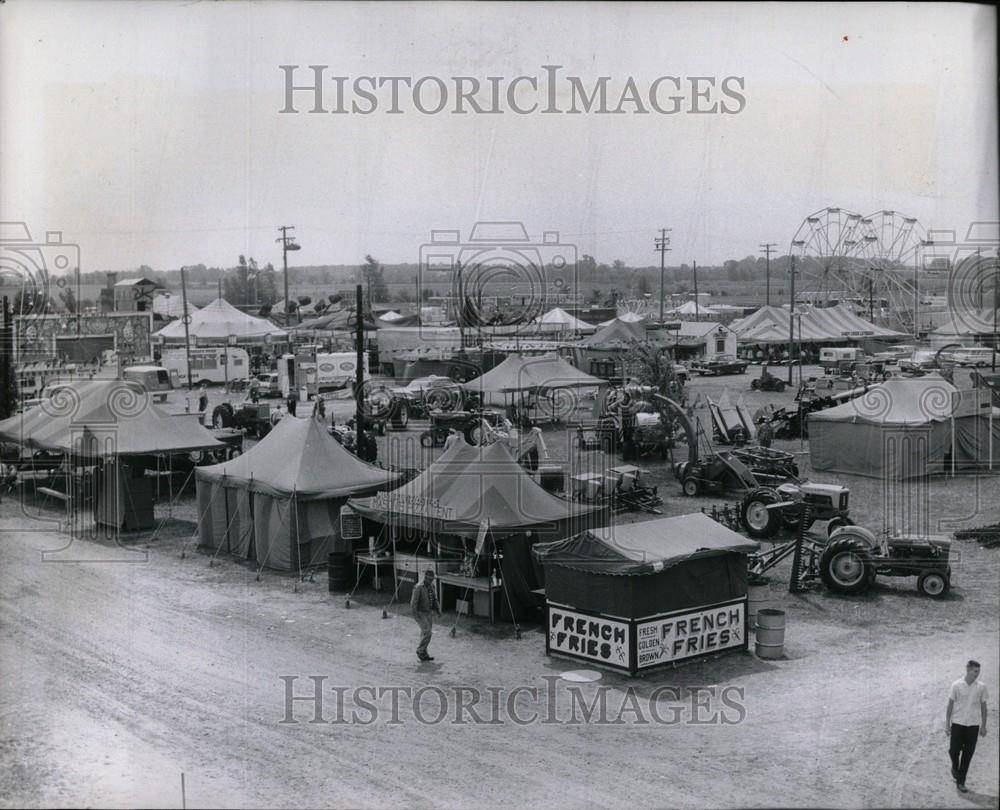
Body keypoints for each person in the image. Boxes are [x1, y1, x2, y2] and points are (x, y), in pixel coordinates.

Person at [946, 660, 989, 792]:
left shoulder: (981, 687)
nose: (977, 674)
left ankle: (961, 782)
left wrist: (983, 725)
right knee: (954, 750)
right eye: (975, 671)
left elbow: (984, 706)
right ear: (968, 670)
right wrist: (947, 724)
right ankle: (954, 766)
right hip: (958, 723)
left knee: (968, 754)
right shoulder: (956, 685)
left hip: (973, 725)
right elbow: (950, 705)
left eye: (979, 671)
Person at [410, 569, 440, 662]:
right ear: (425, 578)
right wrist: (416, 616)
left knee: (425, 633)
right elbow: (413, 603)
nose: (431, 581)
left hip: (428, 612)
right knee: (427, 632)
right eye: (429, 579)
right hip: (420, 612)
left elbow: (434, 599)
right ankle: (420, 650)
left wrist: (438, 610)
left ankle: (424, 653)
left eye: (432, 579)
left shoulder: (432, 586)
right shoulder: (418, 587)